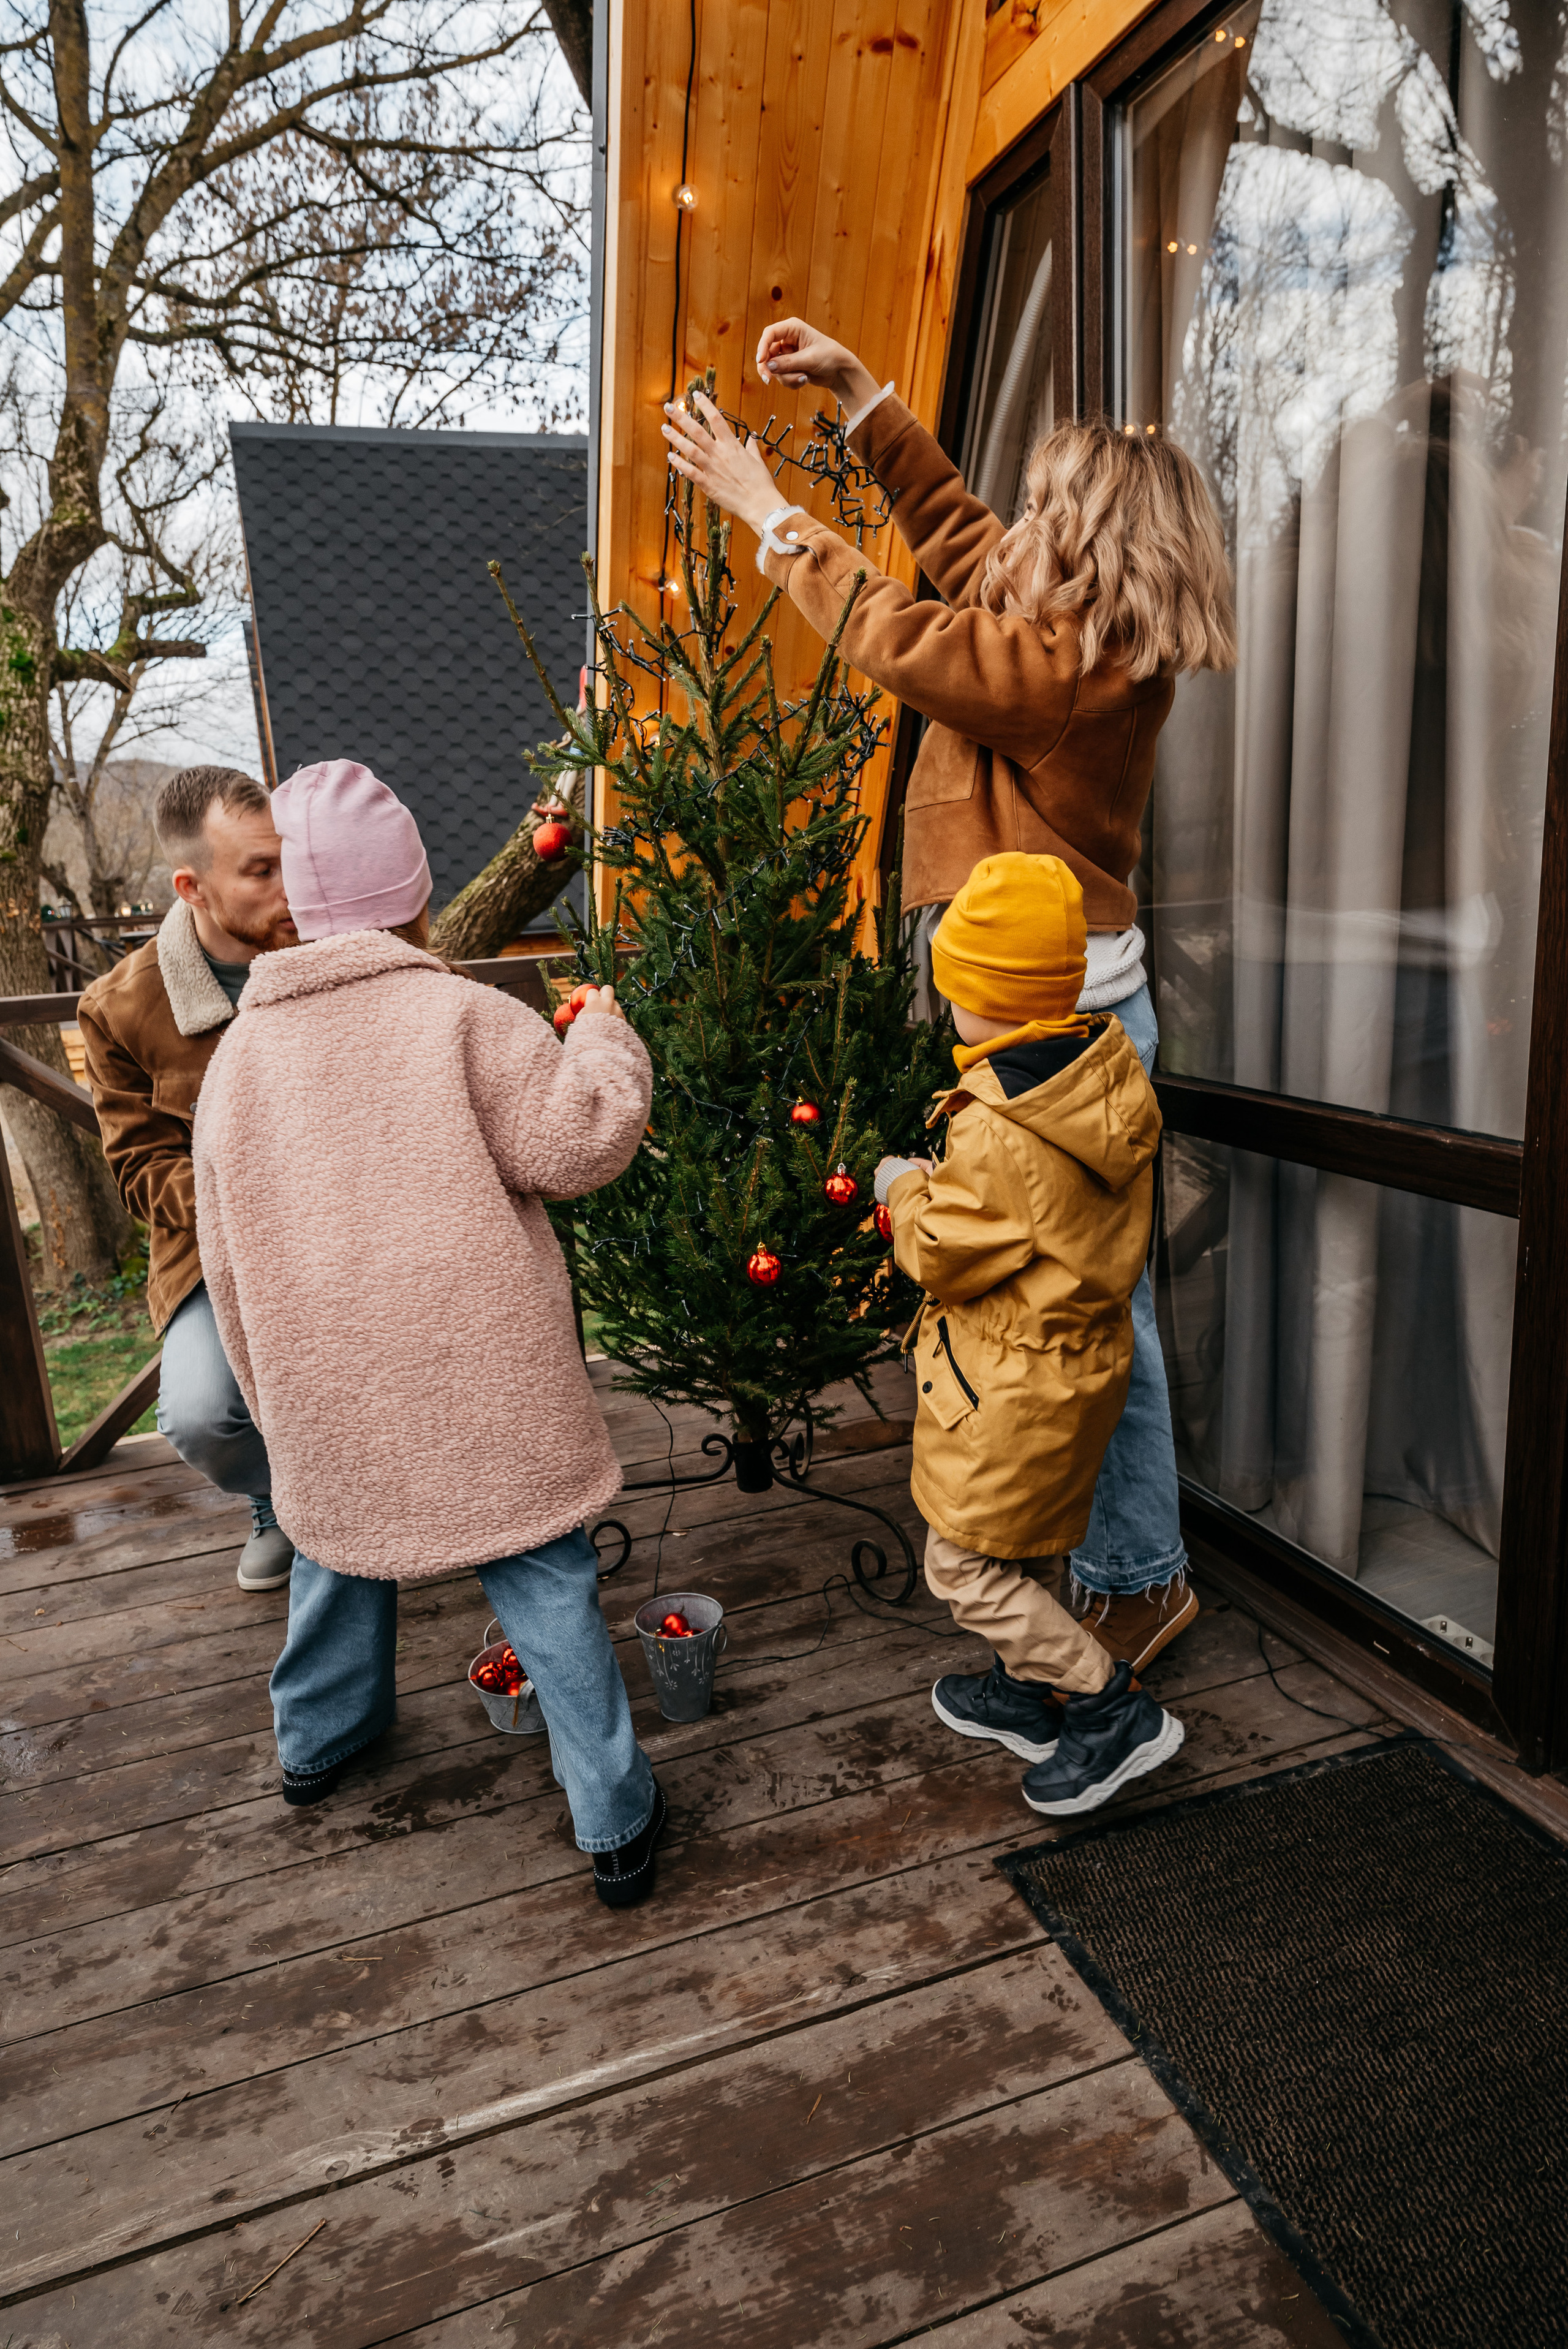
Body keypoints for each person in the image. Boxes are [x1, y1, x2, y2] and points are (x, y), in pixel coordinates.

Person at [662, 323, 1237, 1679]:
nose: (1015, 526)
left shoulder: (1072, 675)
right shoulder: (1058, 626)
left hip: (1058, 1039)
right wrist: (867, 403)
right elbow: (961, 541)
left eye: (1045, 512)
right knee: (1069, 1308)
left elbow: (899, 631)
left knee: (1099, 1321)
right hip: (1029, 1024)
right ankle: (1092, 1551)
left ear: (1095, 554)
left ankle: (1137, 1580)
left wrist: (770, 514)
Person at [191, 758, 666, 1907]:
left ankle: (317, 1742)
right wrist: (603, 1037)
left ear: (298, 902)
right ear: (411, 891)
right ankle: (612, 1813)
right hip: (484, 1376)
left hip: (329, 1386)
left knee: (337, 1552)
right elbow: (579, 1142)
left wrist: (272, 1398)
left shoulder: (240, 1061)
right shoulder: (460, 1013)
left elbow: (224, 1257)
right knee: (543, 1573)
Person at [873, 852, 1183, 1816]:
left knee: (961, 1562)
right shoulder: (1102, 1071)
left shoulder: (1002, 1123)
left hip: (1016, 1377)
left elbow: (944, 1250)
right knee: (1028, 1537)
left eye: (953, 987)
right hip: (1081, 1362)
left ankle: (1106, 1705)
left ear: (987, 1000)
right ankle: (1029, 1681)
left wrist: (901, 1188)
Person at [78, 767, 301, 1591]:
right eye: (258, 870)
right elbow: (140, 1169)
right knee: (202, 1416)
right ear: (191, 885)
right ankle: (286, 1503)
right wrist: (250, 1202)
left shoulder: (325, 941)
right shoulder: (119, 1007)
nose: (288, 887)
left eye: (288, 860)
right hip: (215, 1243)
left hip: (355, 1214)